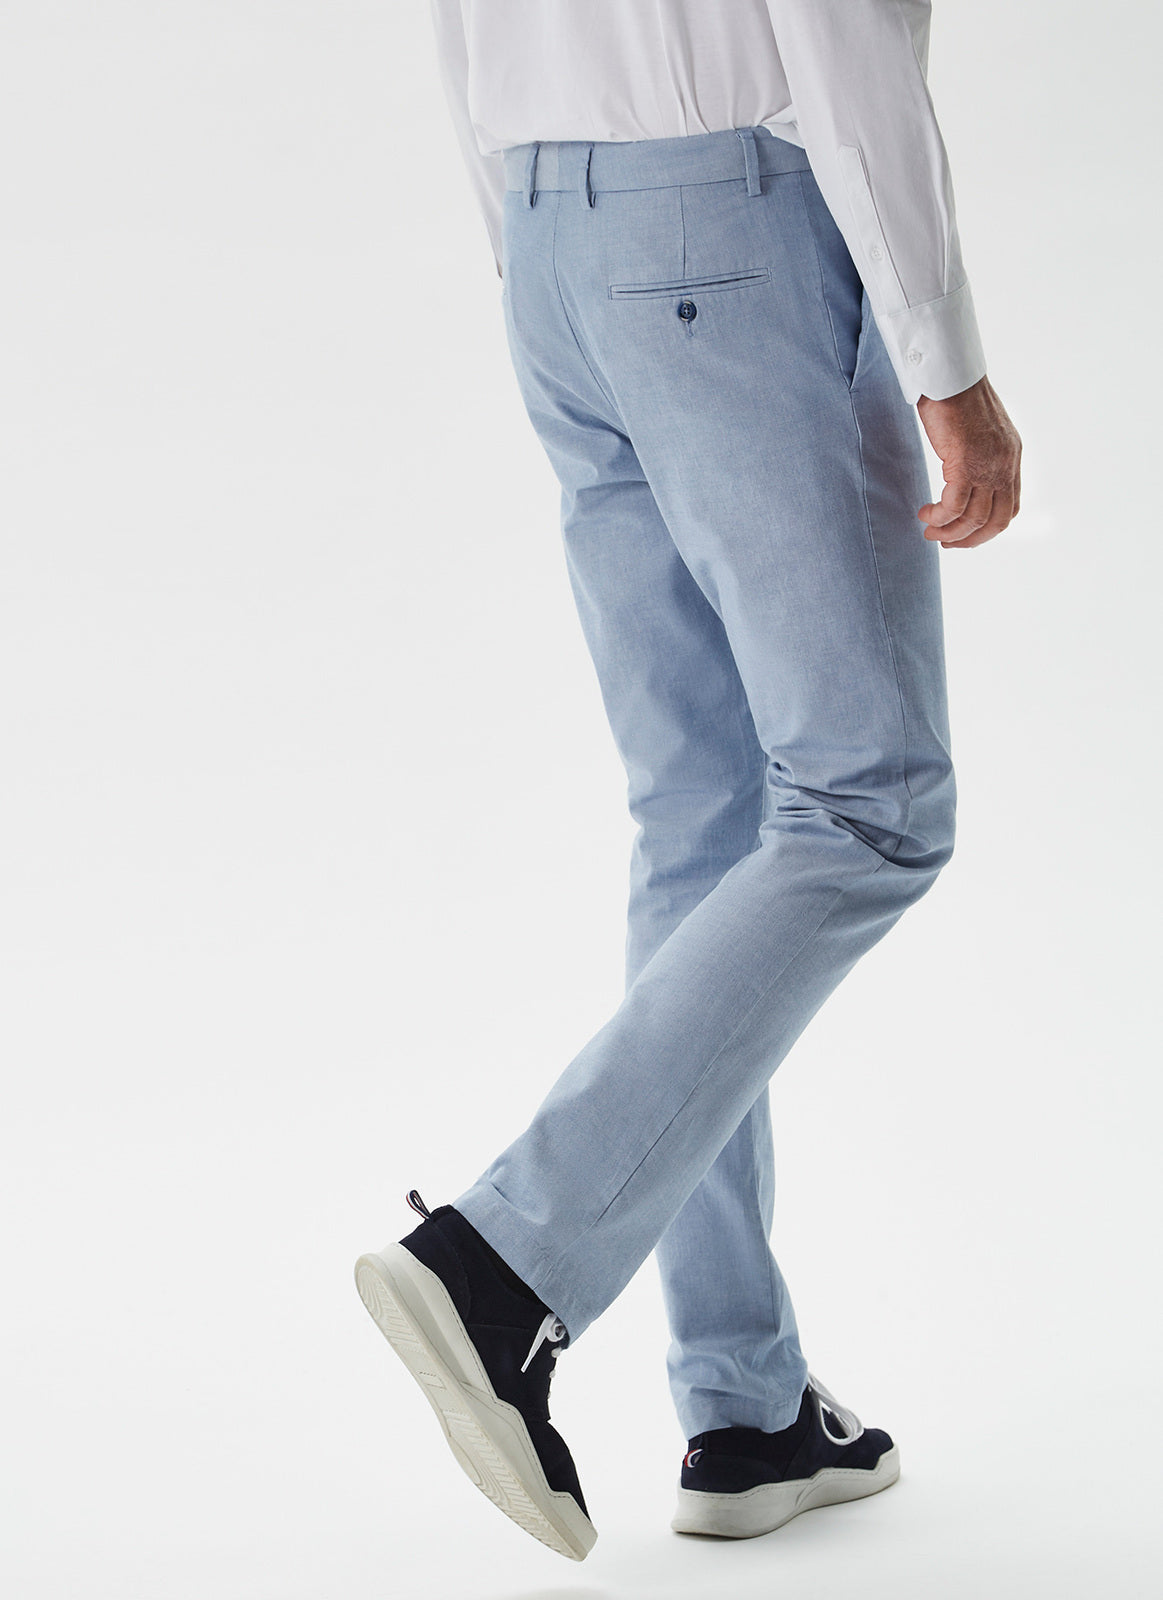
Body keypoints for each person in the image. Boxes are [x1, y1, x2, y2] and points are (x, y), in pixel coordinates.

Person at [355, 0, 1022, 1564]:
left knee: (705, 824)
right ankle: (504, 1259)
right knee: (869, 804)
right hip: (723, 230)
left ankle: (746, 1402)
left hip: (547, 234)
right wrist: (948, 362)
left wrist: (537, 241)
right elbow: (840, 31)